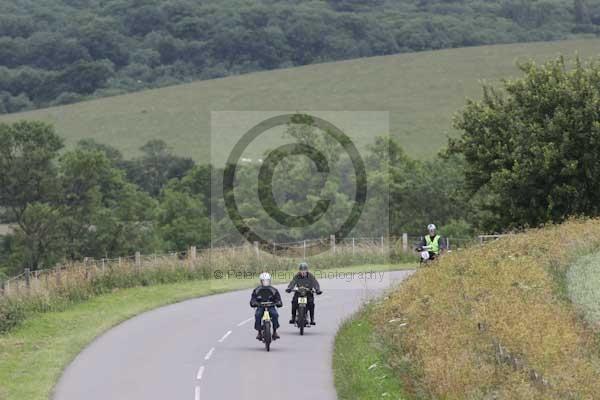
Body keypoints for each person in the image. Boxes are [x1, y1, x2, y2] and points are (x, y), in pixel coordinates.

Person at [250, 272, 283, 341]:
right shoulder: (256, 290)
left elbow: (278, 299)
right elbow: (253, 299)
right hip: (260, 306)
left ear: (269, 281)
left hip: (271, 306)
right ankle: (259, 332)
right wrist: (253, 302)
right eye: (264, 281)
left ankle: (274, 331)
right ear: (261, 281)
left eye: (267, 281)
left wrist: (278, 302)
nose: (265, 282)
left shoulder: (274, 290)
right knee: (257, 315)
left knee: (275, 314)